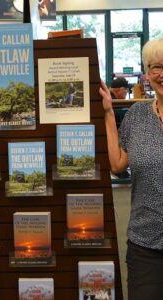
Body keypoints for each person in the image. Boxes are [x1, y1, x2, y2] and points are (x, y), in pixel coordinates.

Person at [99, 37, 163, 300]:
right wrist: (107, 114)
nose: (161, 74)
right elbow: (117, 164)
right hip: (144, 244)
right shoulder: (137, 115)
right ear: (147, 73)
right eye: (155, 67)